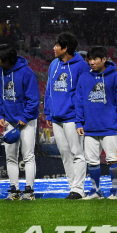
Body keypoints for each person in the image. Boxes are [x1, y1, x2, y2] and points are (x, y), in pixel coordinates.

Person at [75, 46, 117, 200]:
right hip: (90, 128)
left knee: (113, 160)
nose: (91, 62)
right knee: (92, 162)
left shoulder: (115, 76)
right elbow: (79, 101)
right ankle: (96, 190)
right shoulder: (84, 78)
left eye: (95, 59)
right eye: (89, 59)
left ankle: (114, 191)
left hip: (110, 127)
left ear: (104, 59)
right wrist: (79, 123)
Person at [44, 32, 90, 199]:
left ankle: (79, 188)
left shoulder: (81, 66)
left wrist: (80, 119)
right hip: (56, 117)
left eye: (57, 45)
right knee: (64, 152)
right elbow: (49, 89)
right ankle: (73, 187)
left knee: (77, 152)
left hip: (72, 116)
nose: (54, 48)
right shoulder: (53, 65)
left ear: (65, 49)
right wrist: (48, 112)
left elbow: (83, 93)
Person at [0, 44, 40, 201]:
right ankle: (14, 191)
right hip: (9, 120)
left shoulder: (27, 72)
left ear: (7, 60)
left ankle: (29, 191)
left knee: (28, 156)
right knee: (10, 157)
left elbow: (33, 99)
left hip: (26, 121)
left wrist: (25, 118)